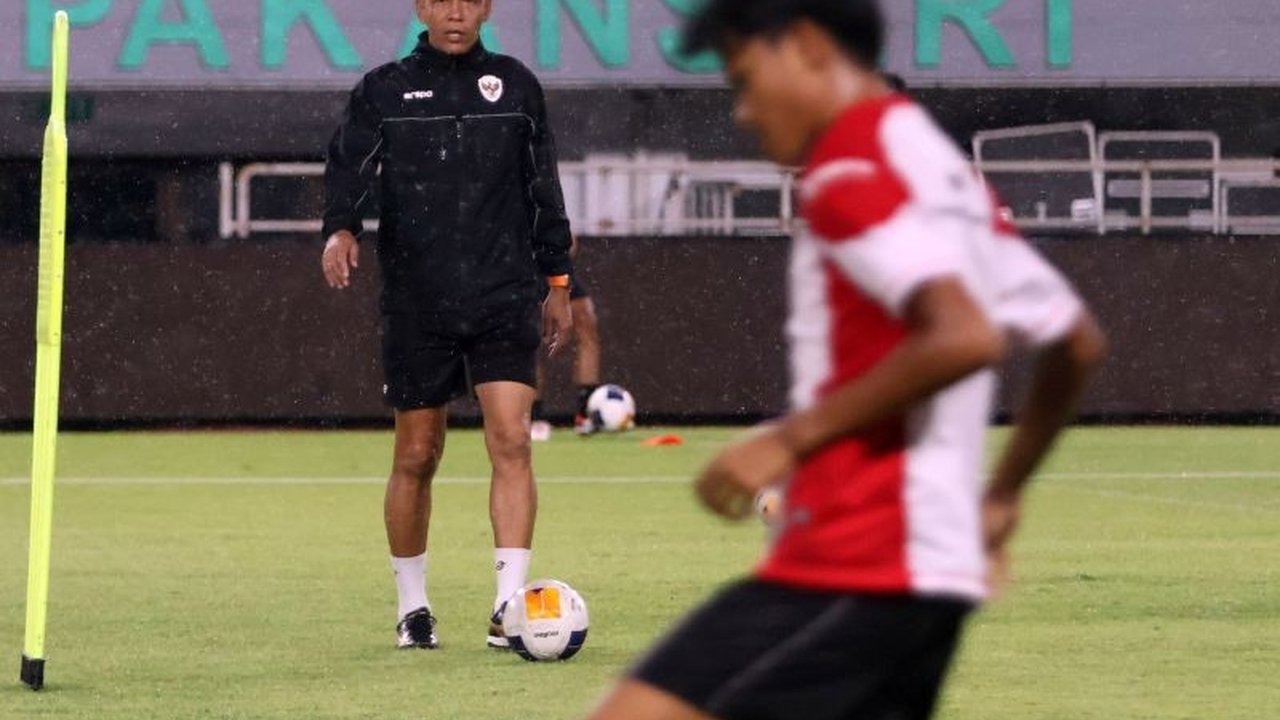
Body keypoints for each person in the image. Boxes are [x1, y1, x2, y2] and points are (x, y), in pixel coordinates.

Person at [585, 1, 1106, 719]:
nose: (742, 111)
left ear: (805, 44)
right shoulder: (936, 165)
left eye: (744, 78)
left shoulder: (847, 168)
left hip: (859, 560)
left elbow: (964, 335)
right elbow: (1075, 341)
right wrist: (1003, 495)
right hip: (927, 573)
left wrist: (788, 440)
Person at [320, 0, 574, 651]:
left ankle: (509, 607)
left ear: (486, 7)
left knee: (511, 440)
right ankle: (413, 608)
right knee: (417, 453)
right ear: (421, 7)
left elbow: (543, 185)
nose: (454, 12)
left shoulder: (516, 86)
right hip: (418, 300)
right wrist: (341, 228)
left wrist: (558, 281)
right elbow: (348, 165)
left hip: (503, 292)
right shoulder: (384, 89)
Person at [530, 235, 603, 440]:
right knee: (530, 338)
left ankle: (585, 414)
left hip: (557, 269)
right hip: (525, 267)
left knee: (588, 330)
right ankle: (534, 417)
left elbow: (569, 240)